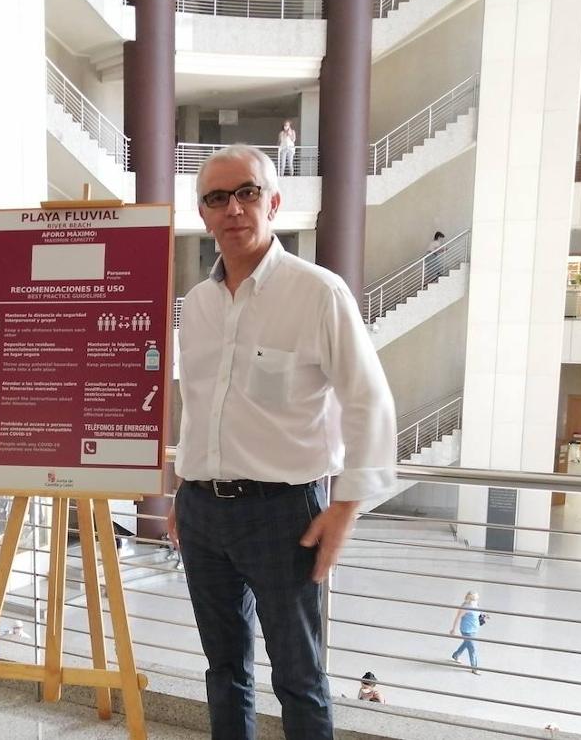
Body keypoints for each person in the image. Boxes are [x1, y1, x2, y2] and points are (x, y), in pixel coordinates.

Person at [167, 144, 397, 739]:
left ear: (273, 201)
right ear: (203, 213)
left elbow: (369, 399)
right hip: (200, 511)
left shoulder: (319, 293)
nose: (233, 208)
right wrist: (181, 493)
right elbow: (197, 406)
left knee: (297, 675)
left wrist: (345, 507)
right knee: (224, 670)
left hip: (282, 514)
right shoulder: (196, 304)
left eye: (246, 192)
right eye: (217, 198)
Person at [450, 591, 482, 674]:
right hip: (467, 631)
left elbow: (477, 613)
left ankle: (456, 655)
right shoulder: (466, 607)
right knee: (472, 649)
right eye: (475, 598)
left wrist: (483, 616)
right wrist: (454, 629)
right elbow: (457, 617)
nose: (476, 600)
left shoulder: (476, 604)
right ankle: (474, 668)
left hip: (474, 629)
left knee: (466, 643)